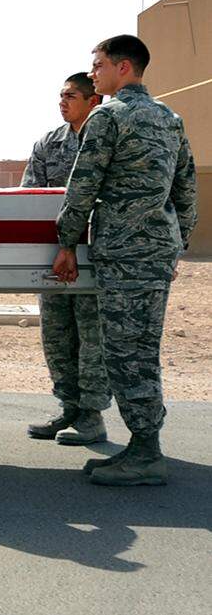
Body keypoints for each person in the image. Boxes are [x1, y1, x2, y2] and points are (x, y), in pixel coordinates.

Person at [52, 35, 198, 486]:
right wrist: (175, 244)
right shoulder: (170, 119)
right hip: (154, 251)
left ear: (124, 68)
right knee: (143, 348)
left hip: (123, 252)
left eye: (98, 66)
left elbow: (83, 186)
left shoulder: (109, 115)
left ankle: (146, 453)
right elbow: (187, 190)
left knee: (124, 352)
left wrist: (67, 242)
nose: (93, 73)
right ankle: (141, 446)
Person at [22, 73, 110, 446]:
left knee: (92, 337)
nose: (62, 102)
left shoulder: (107, 138)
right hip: (55, 256)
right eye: (60, 96)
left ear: (94, 101)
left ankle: (91, 417)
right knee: (57, 334)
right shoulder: (49, 143)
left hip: (95, 255)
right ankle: (68, 406)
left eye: (71, 96)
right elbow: (31, 196)